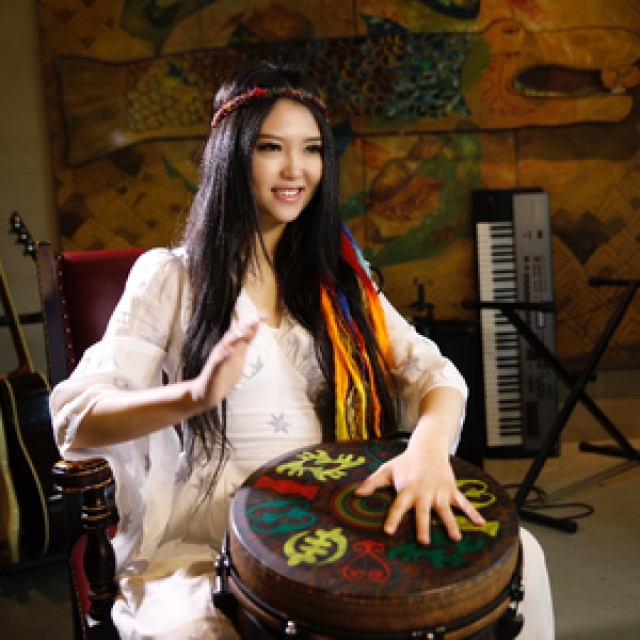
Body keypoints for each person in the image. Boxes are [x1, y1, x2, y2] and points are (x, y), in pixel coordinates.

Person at [50, 61, 554, 639]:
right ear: (232, 156)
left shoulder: (340, 283)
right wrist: (194, 395)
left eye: (312, 149)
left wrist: (428, 449)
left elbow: (432, 373)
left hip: (340, 510)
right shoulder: (171, 277)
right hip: (221, 531)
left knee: (524, 558)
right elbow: (77, 415)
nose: (296, 169)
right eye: (271, 148)